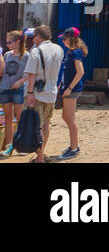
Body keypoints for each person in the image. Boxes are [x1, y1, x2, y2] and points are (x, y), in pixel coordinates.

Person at [22, 24, 63, 163]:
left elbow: (31, 75)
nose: (33, 40)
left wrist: (30, 93)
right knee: (46, 124)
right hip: (51, 92)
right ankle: (41, 154)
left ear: (38, 37)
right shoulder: (59, 49)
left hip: (37, 93)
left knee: (36, 126)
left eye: (34, 37)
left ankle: (39, 157)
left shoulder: (36, 51)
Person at [55, 27, 85, 161]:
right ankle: (73, 146)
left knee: (69, 118)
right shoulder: (70, 52)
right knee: (67, 117)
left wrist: (70, 88)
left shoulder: (75, 53)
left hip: (72, 90)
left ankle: (74, 148)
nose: (63, 41)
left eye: (65, 39)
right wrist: (62, 86)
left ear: (71, 39)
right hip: (68, 89)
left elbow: (80, 72)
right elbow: (67, 72)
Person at [0, 30, 28, 157]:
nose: (7, 44)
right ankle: (9, 146)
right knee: (8, 119)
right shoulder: (6, 55)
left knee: (19, 118)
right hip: (5, 89)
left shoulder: (26, 56)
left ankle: (20, 145)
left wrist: (20, 82)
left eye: (9, 42)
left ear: (18, 42)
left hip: (18, 90)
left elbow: (30, 73)